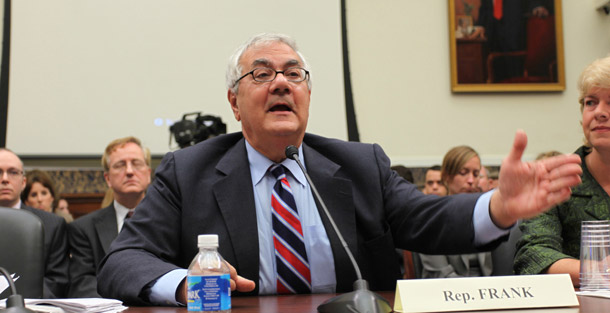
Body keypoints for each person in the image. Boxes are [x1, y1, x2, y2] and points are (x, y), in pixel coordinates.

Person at [97, 33, 582, 305]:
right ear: (234, 103)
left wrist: (497, 207)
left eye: (294, 74)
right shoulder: (190, 171)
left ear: (308, 94)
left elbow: (425, 220)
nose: (282, 83)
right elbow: (123, 261)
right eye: (262, 74)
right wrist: (188, 283)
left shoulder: (357, 163)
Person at [514, 55, 610, 286]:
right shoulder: (555, 179)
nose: (600, 112)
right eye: (591, 102)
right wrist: (599, 271)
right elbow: (534, 256)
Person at [67, 136, 152, 297]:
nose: (129, 171)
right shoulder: (84, 228)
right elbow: (82, 284)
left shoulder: (170, 220)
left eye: (136, 163)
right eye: (120, 165)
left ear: (148, 174)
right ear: (108, 179)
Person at [0, 149, 69, 298]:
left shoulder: (51, 225)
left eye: (13, 172)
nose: (5, 179)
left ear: (23, 182)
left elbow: (56, 281)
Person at [419, 146, 493, 278]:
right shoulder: (431, 217)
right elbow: (440, 273)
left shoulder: (487, 215)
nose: (471, 181)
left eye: (476, 174)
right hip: (446, 292)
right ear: (446, 177)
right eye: (463, 173)